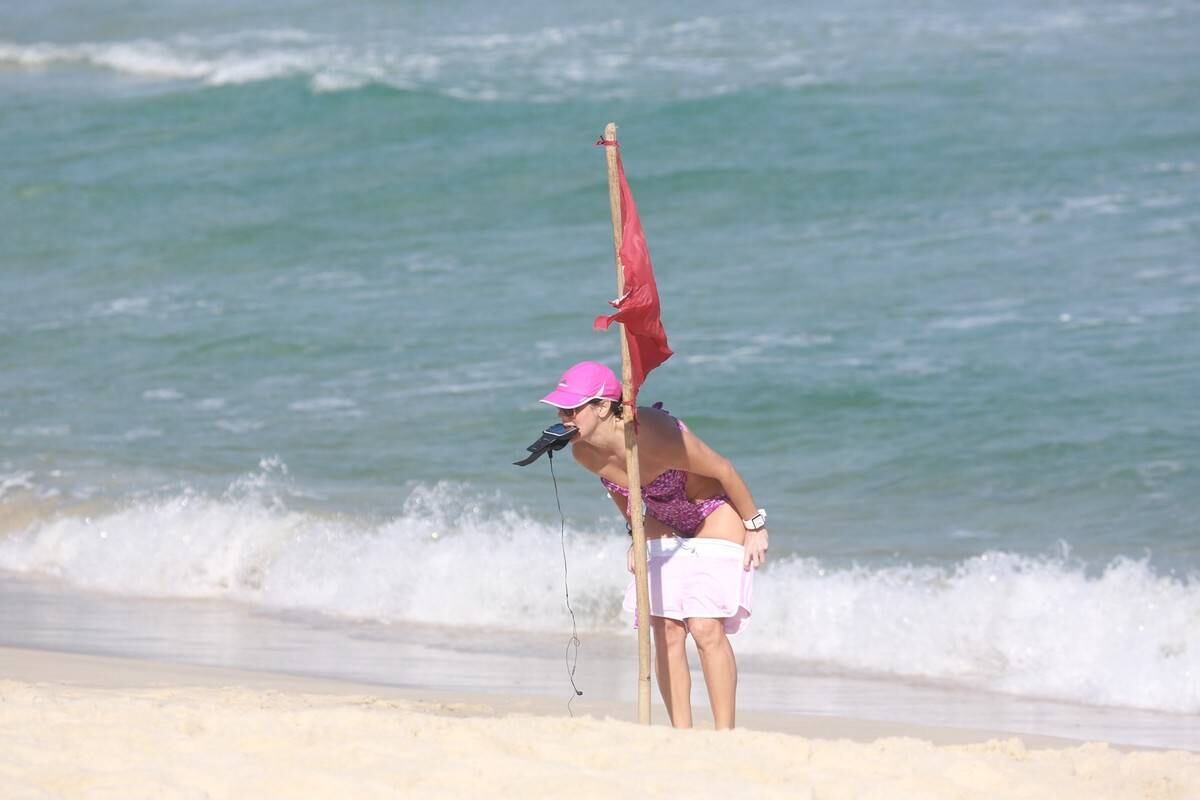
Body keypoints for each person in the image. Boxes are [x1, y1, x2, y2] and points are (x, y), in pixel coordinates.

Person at [539, 360, 768, 730]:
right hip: (660, 517)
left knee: (705, 626)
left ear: (601, 406)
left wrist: (755, 525)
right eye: (561, 408)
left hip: (710, 510)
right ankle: (682, 735)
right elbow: (621, 491)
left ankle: (725, 735)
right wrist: (636, 532)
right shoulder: (582, 452)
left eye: (572, 408)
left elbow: (723, 469)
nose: (564, 416)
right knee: (666, 631)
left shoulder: (655, 431)